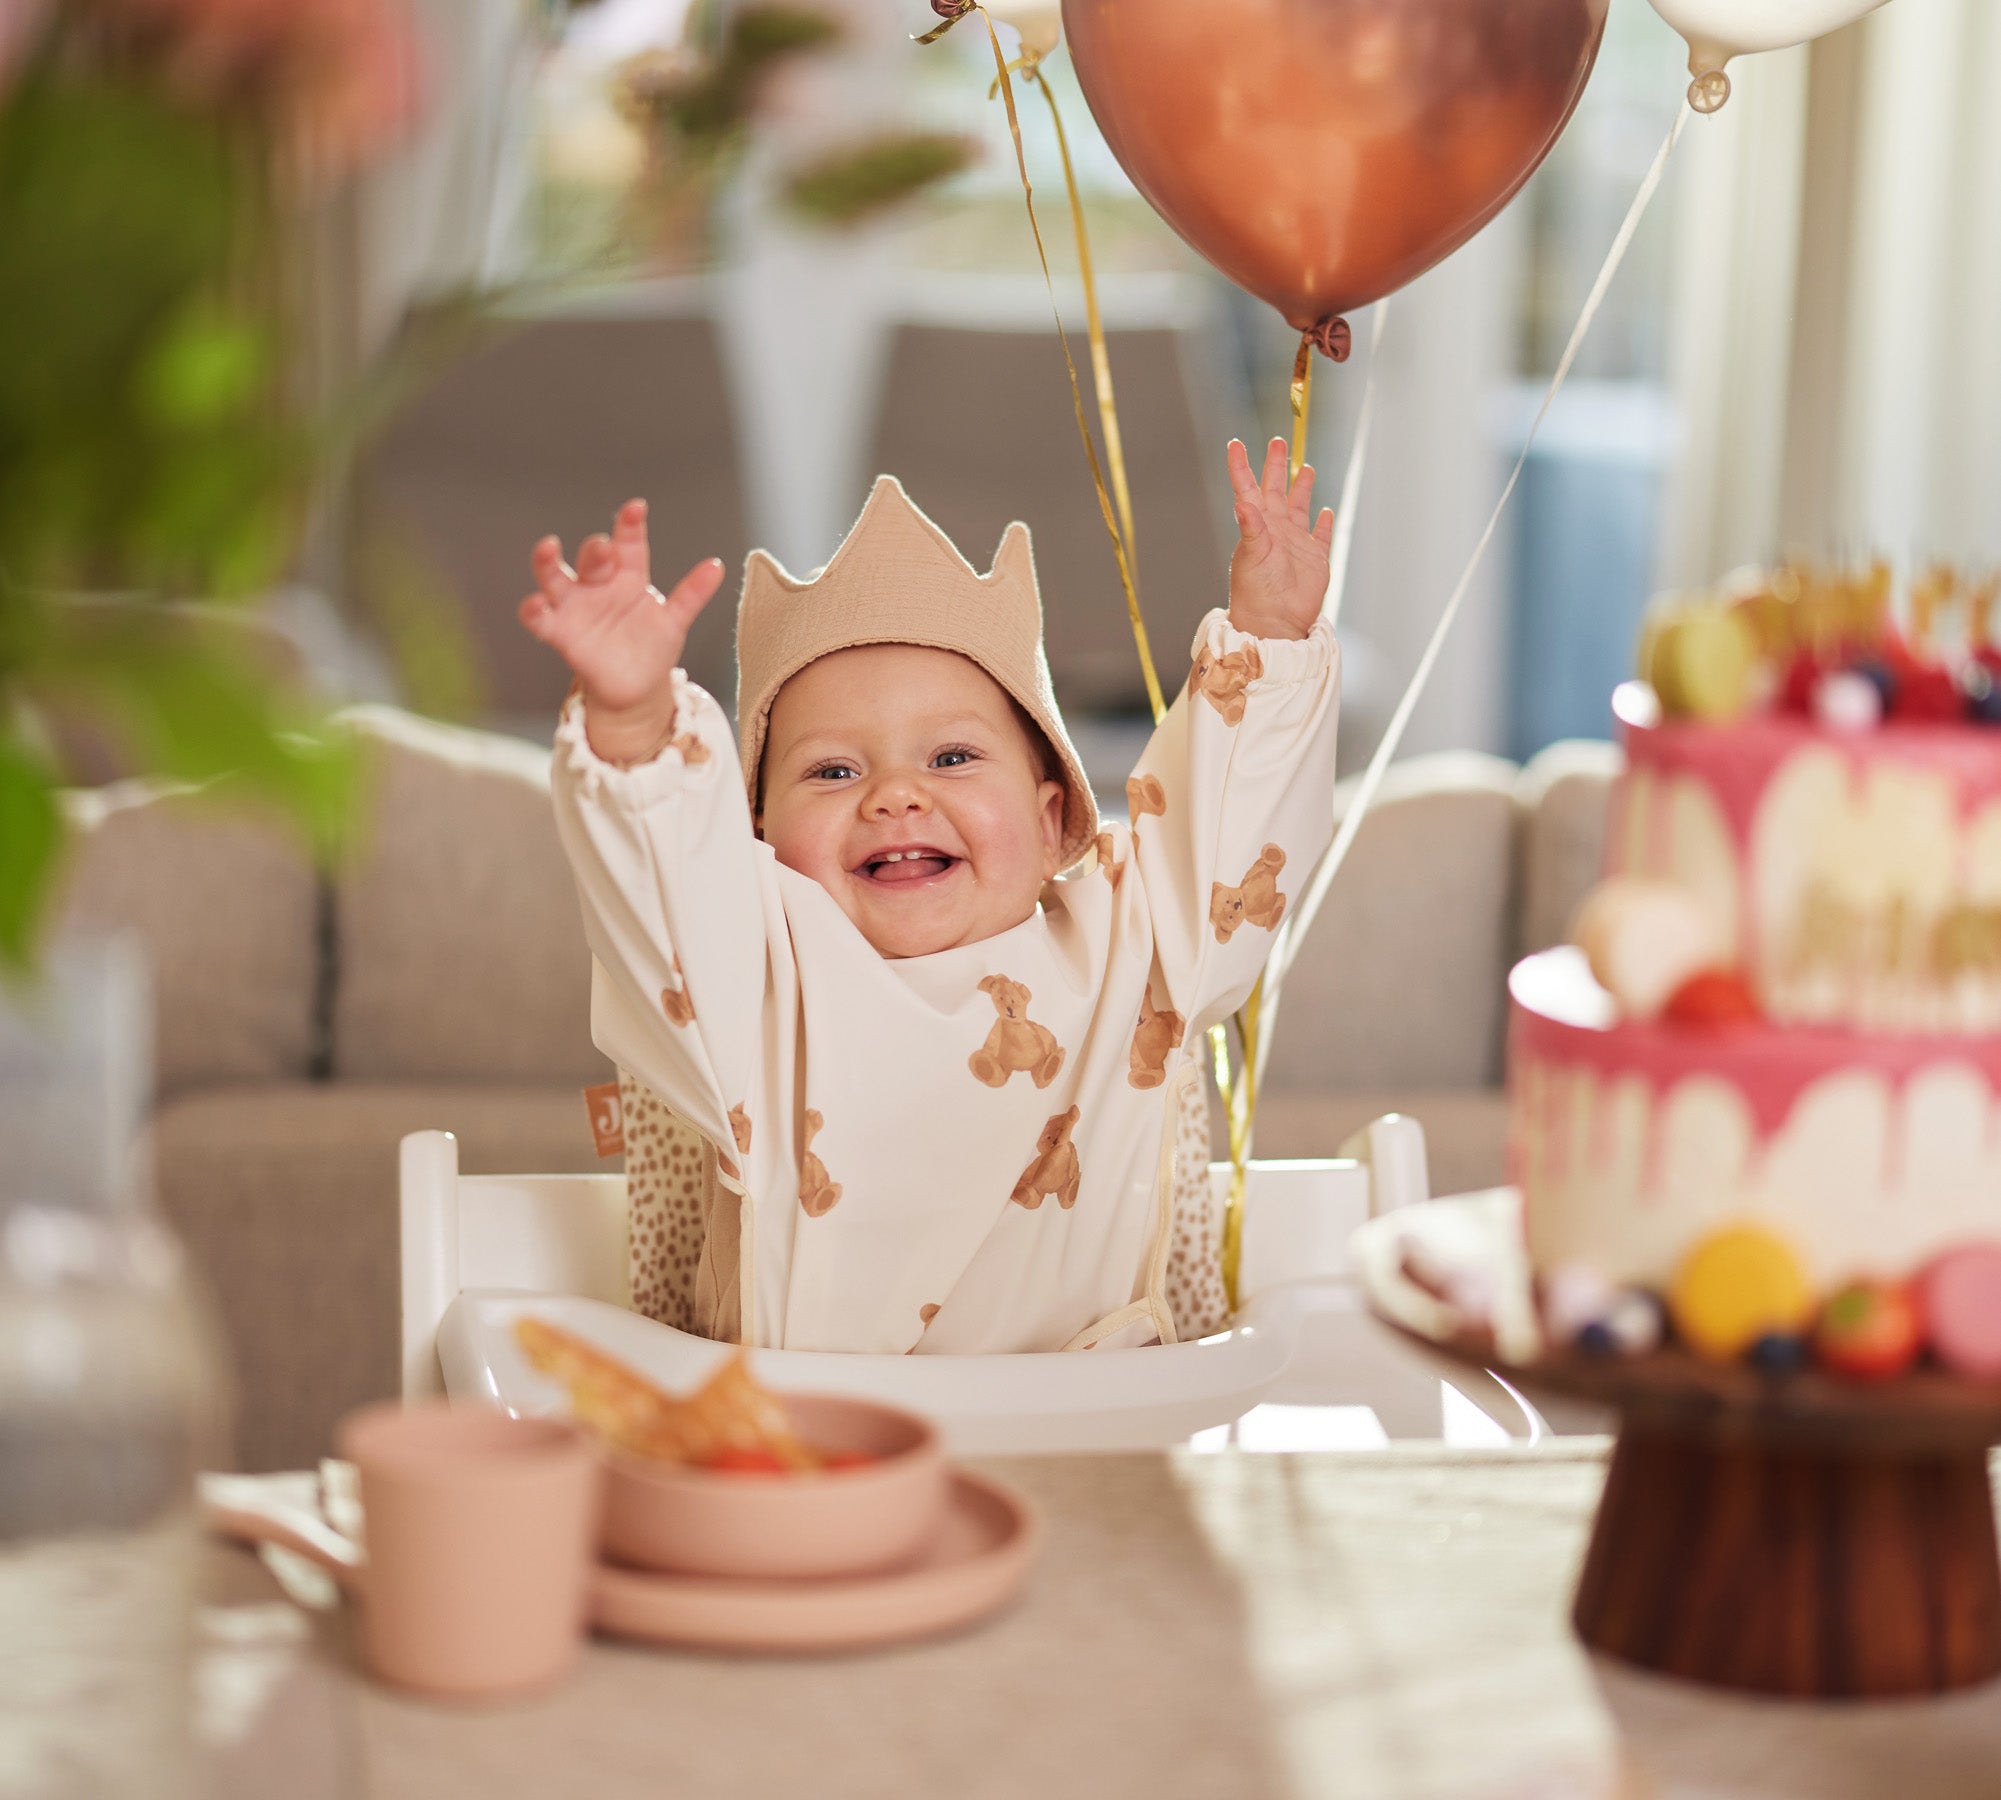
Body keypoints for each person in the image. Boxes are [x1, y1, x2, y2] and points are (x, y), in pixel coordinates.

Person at [522, 439, 1340, 1354]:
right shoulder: (752, 980)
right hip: (817, 1449)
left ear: (1053, 819)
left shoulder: (1129, 947)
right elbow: (664, 900)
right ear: (754, 843)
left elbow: (1231, 847)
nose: (894, 795)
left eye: (951, 757)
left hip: (1086, 1430)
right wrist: (633, 729)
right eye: (832, 770)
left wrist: (1266, 638)